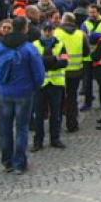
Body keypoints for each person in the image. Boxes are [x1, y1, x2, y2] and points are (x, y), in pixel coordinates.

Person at [0, 16, 45, 174]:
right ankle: (19, 163)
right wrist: (34, 87)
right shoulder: (29, 48)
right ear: (25, 28)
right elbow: (39, 74)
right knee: (22, 128)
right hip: (24, 92)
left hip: (5, 91)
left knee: (5, 127)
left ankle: (7, 161)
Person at [32, 22, 68, 150]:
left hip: (56, 84)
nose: (48, 32)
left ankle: (55, 139)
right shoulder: (35, 44)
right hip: (40, 84)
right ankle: (38, 141)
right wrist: (54, 59)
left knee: (56, 114)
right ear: (42, 31)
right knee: (39, 115)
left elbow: (65, 62)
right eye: (46, 30)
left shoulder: (60, 44)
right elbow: (34, 62)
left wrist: (45, 63)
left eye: (50, 30)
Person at [54, 13, 91, 133]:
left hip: (60, 71)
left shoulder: (56, 33)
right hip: (76, 71)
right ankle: (72, 124)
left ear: (63, 20)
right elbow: (86, 52)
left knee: (58, 98)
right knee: (72, 97)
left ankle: (56, 124)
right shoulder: (81, 34)